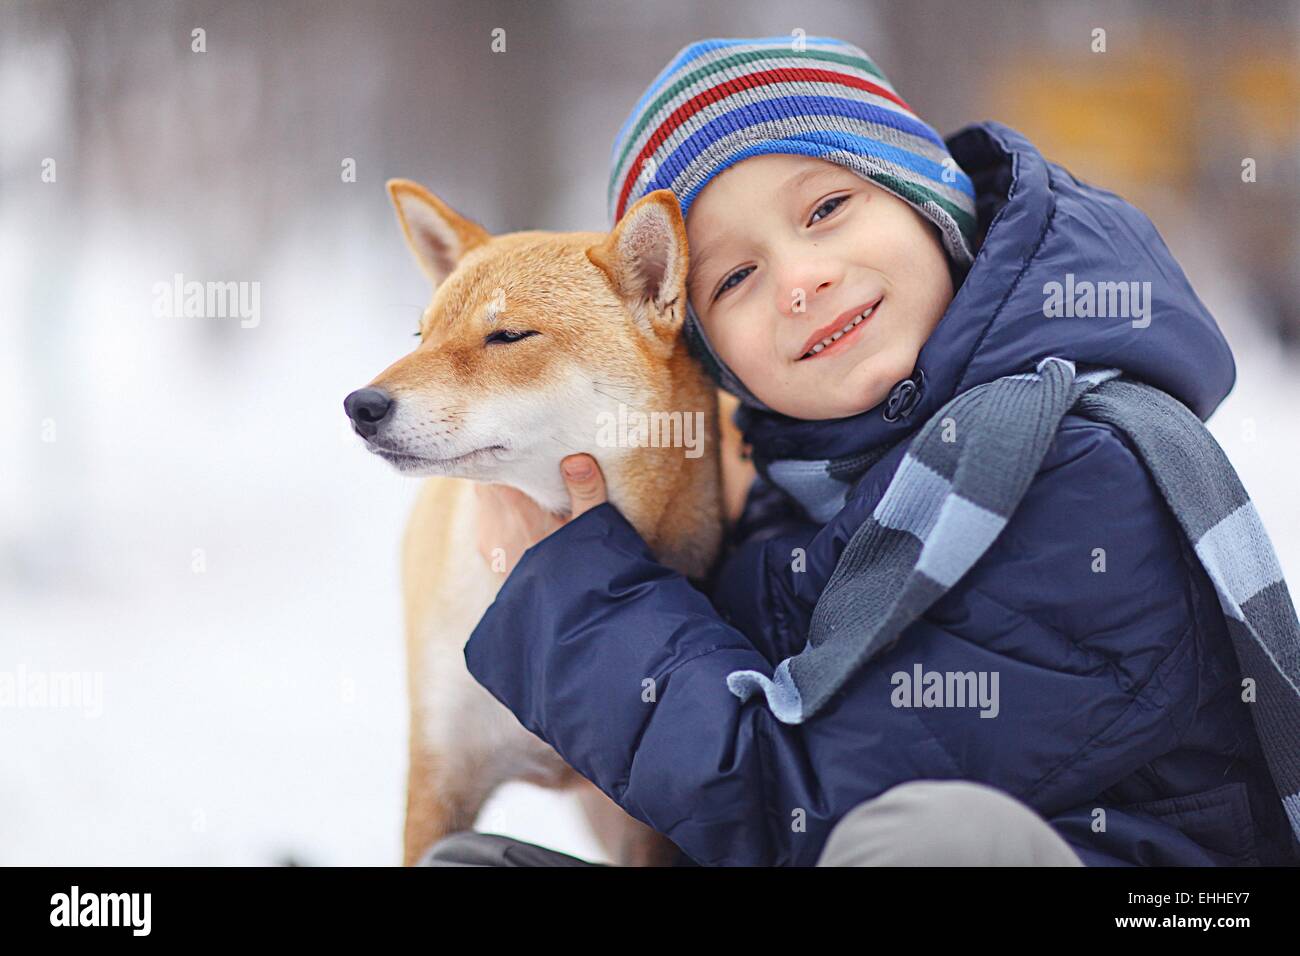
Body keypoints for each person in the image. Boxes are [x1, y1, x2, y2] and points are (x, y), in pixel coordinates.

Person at [425, 36, 1299, 867]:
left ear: (929, 203)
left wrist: (584, 604)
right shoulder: (792, 494)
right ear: (709, 354)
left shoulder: (1080, 472)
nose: (801, 278)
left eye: (828, 209)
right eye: (735, 278)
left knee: (934, 839)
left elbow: (799, 807)